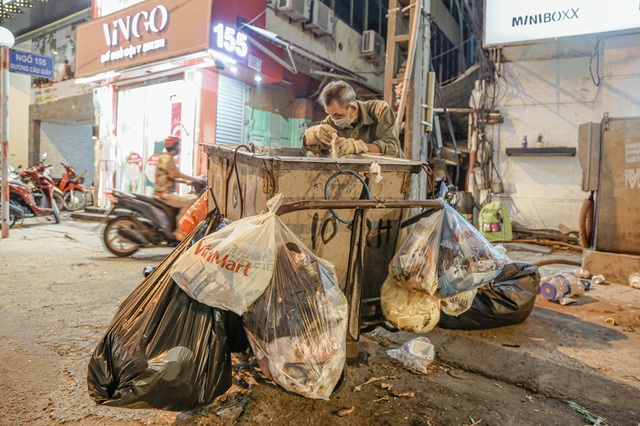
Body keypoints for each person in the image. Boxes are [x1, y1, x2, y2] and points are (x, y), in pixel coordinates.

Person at [304, 80, 404, 158]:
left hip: (392, 175)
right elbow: (309, 149)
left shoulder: (379, 110)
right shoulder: (330, 121)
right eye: (330, 115)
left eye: (338, 116)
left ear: (353, 107)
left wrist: (357, 146)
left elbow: (392, 148)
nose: (334, 120)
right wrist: (313, 134)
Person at [154, 136, 201, 241]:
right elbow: (175, 174)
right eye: (178, 145)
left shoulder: (164, 157)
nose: (179, 148)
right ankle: (179, 232)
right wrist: (195, 179)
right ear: (174, 147)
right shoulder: (167, 159)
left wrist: (185, 182)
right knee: (187, 203)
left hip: (163, 192)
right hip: (163, 194)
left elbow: (170, 176)